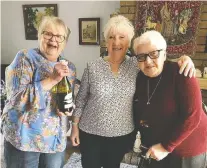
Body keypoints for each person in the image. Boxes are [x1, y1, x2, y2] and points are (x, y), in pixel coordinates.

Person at [70, 15, 196, 168]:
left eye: (121, 37)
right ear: (106, 41)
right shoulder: (93, 66)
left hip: (121, 134)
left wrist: (185, 59)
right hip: (90, 132)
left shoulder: (137, 65)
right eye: (111, 37)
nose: (116, 42)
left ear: (129, 41)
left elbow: (159, 62)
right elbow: (81, 99)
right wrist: (75, 126)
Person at [1, 16, 76, 168]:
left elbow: (66, 98)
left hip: (55, 141)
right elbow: (16, 99)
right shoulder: (24, 58)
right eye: (48, 33)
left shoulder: (70, 68)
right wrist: (53, 79)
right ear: (39, 35)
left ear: (65, 42)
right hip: (24, 140)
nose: (53, 40)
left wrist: (68, 109)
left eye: (59, 36)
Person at [133, 30, 207, 168]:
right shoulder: (141, 78)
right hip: (156, 146)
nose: (148, 61)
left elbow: (193, 116)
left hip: (186, 151)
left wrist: (166, 147)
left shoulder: (182, 73)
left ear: (165, 54)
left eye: (154, 53)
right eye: (141, 56)